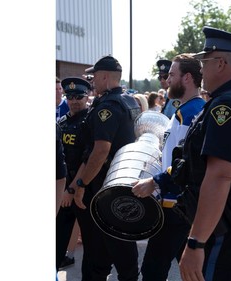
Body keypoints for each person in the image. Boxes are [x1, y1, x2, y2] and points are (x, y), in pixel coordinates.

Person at [175, 27, 231, 281]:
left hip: (224, 232)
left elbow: (220, 176)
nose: (200, 69)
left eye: (204, 61)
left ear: (221, 63)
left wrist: (196, 243)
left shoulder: (225, 106)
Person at [131, 53, 206, 281]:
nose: (167, 80)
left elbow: (185, 164)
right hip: (177, 202)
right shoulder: (183, 110)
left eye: (172, 75)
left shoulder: (190, 113)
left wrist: (155, 181)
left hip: (176, 204)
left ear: (187, 78)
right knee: (190, 271)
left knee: (153, 270)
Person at [67, 55, 141, 281]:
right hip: (122, 182)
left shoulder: (107, 106)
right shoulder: (129, 101)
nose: (92, 82)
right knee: (121, 246)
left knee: (100, 249)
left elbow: (100, 151)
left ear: (106, 77)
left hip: (103, 186)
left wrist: (81, 184)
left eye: (95, 77)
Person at [56, 77, 92, 271]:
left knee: (90, 242)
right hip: (62, 188)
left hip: (79, 189)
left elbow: (87, 160)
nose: (74, 101)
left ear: (86, 97)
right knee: (58, 236)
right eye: (70, 96)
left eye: (79, 96)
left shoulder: (89, 122)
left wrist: (71, 189)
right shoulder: (61, 122)